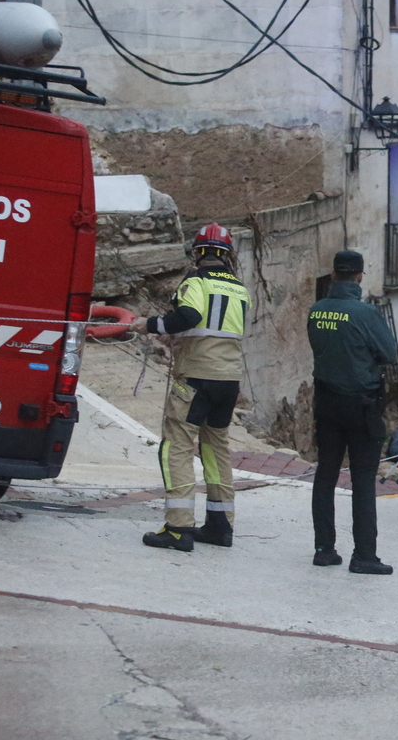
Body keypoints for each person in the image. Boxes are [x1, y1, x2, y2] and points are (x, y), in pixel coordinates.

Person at [132, 223, 251, 552]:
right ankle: (220, 525)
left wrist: (151, 325)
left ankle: (178, 528)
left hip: (197, 378)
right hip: (228, 381)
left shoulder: (196, 282)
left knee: (177, 447)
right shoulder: (240, 288)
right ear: (227, 256)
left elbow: (189, 315)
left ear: (198, 253)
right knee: (215, 449)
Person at [306, 250, 398, 575]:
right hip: (362, 405)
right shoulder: (366, 313)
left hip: (326, 403)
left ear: (333, 275)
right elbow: (388, 352)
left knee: (325, 475)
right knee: (362, 480)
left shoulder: (316, 310)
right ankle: (365, 555)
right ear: (360, 276)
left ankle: (324, 548)